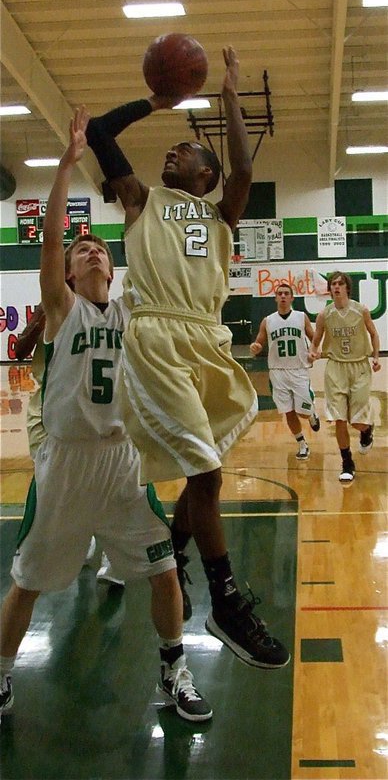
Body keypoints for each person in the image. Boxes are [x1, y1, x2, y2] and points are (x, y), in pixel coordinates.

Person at [0, 107, 212, 724]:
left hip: (124, 462)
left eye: (99, 250)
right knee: (27, 583)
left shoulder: (131, 313)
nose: (91, 253)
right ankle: (2, 676)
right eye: (81, 250)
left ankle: (174, 670)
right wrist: (66, 166)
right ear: (67, 273)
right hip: (64, 464)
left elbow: (151, 247)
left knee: (165, 570)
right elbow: (53, 238)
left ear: (112, 270)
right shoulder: (63, 312)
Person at [86, 46, 290, 669]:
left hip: (208, 341)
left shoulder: (222, 212)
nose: (173, 150)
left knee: (212, 458)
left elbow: (244, 169)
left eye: (187, 151)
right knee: (205, 474)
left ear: (207, 174)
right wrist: (156, 101)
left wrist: (228, 92)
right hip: (156, 339)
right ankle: (226, 604)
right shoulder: (141, 199)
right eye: (172, 148)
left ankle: (171, 548)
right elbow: (99, 131)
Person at [14, 307, 124, 586]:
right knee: (55, 481)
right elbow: (19, 351)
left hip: (89, 413)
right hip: (45, 412)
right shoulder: (50, 307)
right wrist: (40, 318)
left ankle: (112, 554)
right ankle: (80, 538)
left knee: (103, 480)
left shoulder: (102, 316)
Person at [309, 271, 381, 484]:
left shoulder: (361, 311)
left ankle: (367, 430)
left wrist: (376, 357)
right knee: (339, 418)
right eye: (333, 284)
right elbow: (316, 340)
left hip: (359, 367)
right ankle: (347, 462)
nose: (336, 287)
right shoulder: (324, 315)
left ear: (347, 288)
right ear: (329, 289)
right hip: (335, 368)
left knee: (357, 422)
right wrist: (313, 351)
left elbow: (374, 334)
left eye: (340, 283)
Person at [249, 283, 320, 460]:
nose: (282, 296)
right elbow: (259, 342)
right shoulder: (268, 320)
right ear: (275, 298)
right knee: (288, 411)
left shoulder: (301, 317)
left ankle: (311, 413)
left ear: (291, 298)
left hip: (298, 369)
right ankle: (302, 444)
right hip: (277, 372)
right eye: (279, 293)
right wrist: (255, 347)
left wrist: (315, 351)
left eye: (286, 293)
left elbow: (314, 339)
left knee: (302, 412)